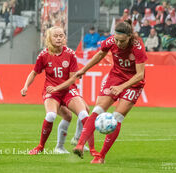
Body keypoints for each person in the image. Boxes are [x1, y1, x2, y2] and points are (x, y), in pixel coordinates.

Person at [48, 20, 148, 164]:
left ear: (130, 37)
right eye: (117, 40)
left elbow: (139, 75)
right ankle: (80, 144)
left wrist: (122, 87)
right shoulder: (111, 41)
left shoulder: (137, 47)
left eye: (122, 41)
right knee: (97, 110)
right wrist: (84, 69)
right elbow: (100, 55)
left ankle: (101, 156)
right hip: (115, 77)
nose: (118, 44)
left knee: (117, 118)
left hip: (133, 84)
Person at [20, 26, 98, 156]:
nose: (59, 38)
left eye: (61, 35)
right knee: (51, 115)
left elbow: (73, 79)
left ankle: (92, 149)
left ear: (64, 38)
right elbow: (34, 73)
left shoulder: (70, 54)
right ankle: (41, 146)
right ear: (49, 38)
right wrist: (25, 86)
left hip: (68, 90)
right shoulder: (44, 55)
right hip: (51, 92)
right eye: (55, 36)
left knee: (84, 114)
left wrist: (58, 87)